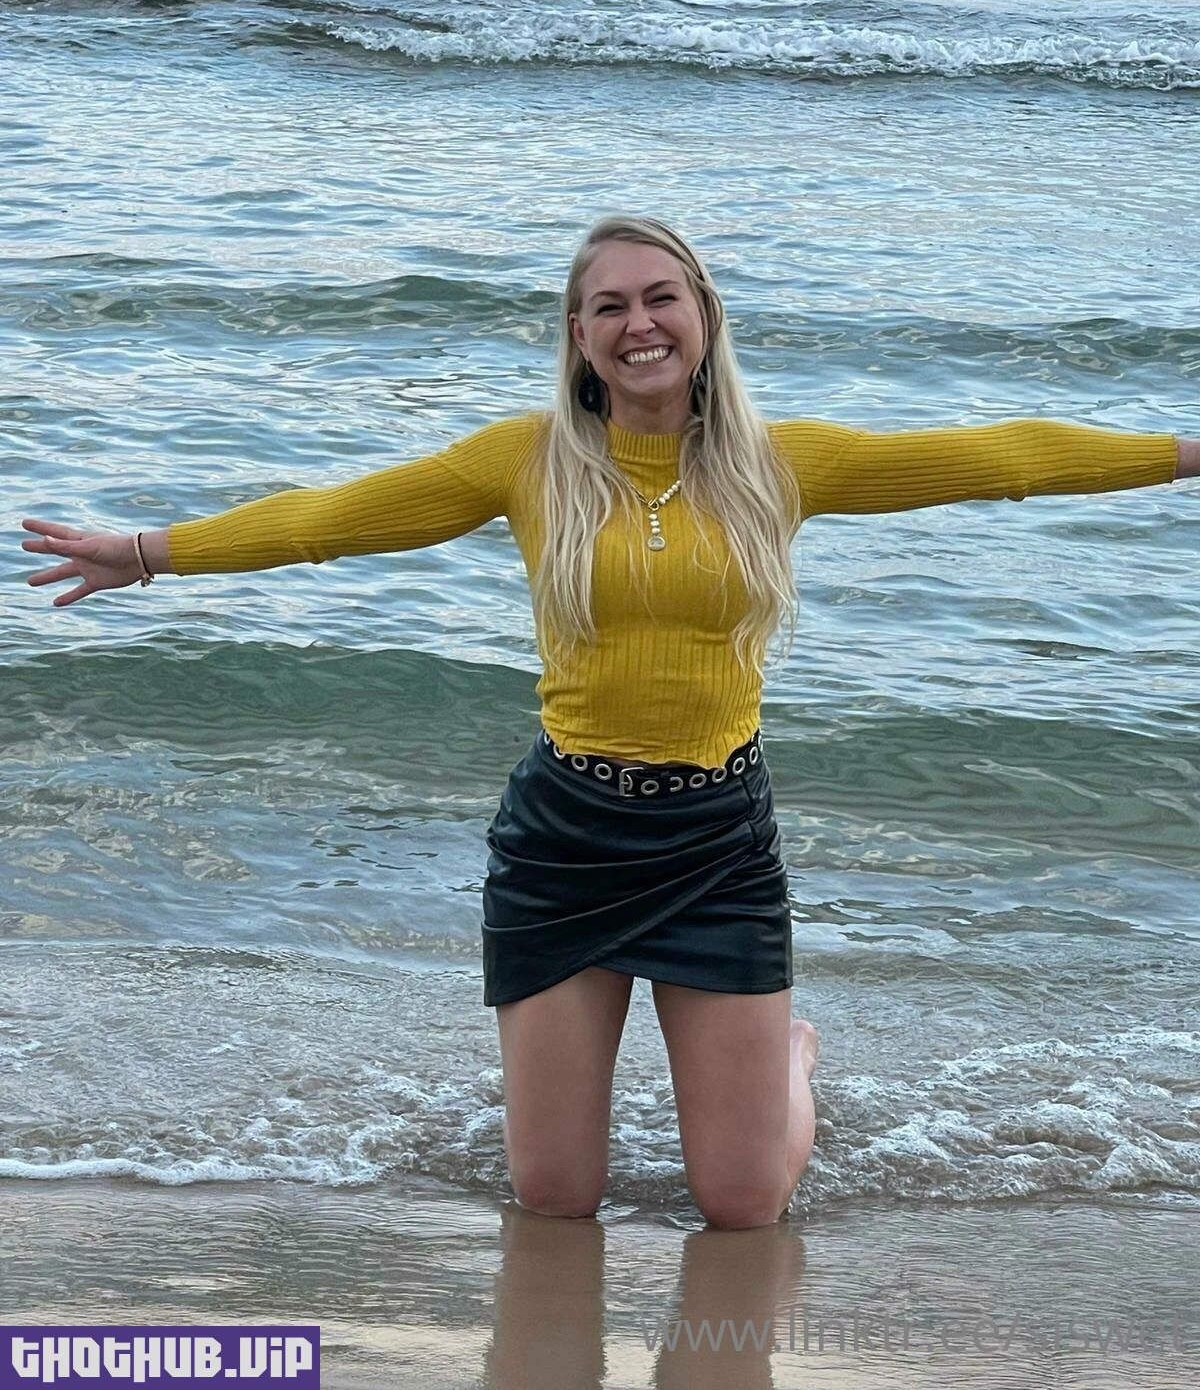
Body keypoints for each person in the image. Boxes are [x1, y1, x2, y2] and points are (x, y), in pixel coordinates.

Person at [22, 216, 1196, 1230]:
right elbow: (333, 518)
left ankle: (787, 1060)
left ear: (704, 316)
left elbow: (1002, 459)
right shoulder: (529, 462)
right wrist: (149, 552)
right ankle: (746, 1062)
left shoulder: (781, 465)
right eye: (610, 307)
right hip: (567, 839)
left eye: (661, 297)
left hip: (717, 840)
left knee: (740, 1204)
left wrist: (1187, 455)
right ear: (578, 337)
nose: (640, 324)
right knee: (554, 1198)